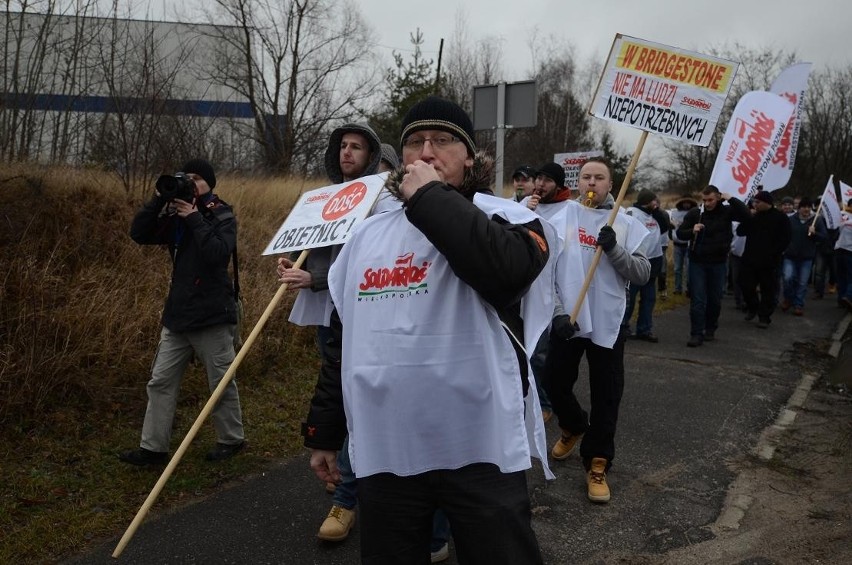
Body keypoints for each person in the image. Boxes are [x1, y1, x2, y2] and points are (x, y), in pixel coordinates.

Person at [301, 96, 552, 563]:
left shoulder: (510, 218)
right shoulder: (366, 235)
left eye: (442, 141)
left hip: (480, 447)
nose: (426, 152)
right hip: (388, 445)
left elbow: (506, 271)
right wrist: (325, 429)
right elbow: (347, 337)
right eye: (414, 142)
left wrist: (429, 198)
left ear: (470, 157)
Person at [278, 123, 382, 542]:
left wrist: (316, 277)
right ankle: (344, 471)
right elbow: (316, 251)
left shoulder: (380, 203)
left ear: (371, 156)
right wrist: (293, 265)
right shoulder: (323, 200)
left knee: (364, 407)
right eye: (343, 145)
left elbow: (358, 264)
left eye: (356, 147)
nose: (347, 152)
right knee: (338, 394)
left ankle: (350, 492)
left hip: (369, 315)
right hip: (331, 318)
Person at [120, 159, 245, 466]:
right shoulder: (175, 215)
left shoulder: (220, 213)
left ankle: (231, 439)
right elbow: (139, 233)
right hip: (178, 315)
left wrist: (194, 219)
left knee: (220, 381)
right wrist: (160, 199)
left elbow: (217, 254)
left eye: (196, 180)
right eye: (186, 179)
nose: (190, 184)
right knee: (160, 381)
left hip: (213, 314)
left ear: (210, 185)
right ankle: (153, 448)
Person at [543, 157, 651, 504]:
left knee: (607, 392)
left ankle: (598, 461)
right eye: (586, 177)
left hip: (607, 321)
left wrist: (614, 249)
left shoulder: (626, 223)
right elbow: (547, 271)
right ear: (578, 183)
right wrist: (558, 313)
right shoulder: (561, 217)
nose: (592, 182)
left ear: (610, 184)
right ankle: (573, 424)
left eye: (599, 177)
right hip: (571, 320)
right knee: (554, 380)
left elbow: (642, 274)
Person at [521, 161, 577, 423]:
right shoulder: (525, 204)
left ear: (559, 185)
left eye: (547, 180)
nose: (541, 185)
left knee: (541, 352)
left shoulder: (569, 211)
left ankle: (544, 402)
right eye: (538, 179)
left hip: (550, 288)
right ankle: (524, 399)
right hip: (524, 286)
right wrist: (524, 211)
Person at [677, 185, 751, 347]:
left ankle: (710, 328)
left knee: (715, 299)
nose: (707, 203)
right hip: (698, 262)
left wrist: (731, 199)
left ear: (718, 198)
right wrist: (692, 231)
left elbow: (746, 216)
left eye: (710, 200)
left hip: (718, 262)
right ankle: (696, 333)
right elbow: (680, 233)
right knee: (698, 299)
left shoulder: (727, 212)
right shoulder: (696, 214)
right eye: (704, 200)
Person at [736, 191, 791, 328]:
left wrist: (774, 253)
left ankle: (764, 316)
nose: (755, 205)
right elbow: (740, 232)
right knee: (745, 285)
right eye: (754, 202)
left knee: (768, 289)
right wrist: (747, 217)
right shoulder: (753, 217)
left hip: (769, 261)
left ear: (767, 203)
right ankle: (752, 306)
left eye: (758, 202)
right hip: (750, 258)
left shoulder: (780, 218)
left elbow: (785, 238)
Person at [622, 189, 669, 342]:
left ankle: (644, 329)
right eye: (654, 201)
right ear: (647, 201)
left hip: (654, 261)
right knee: (630, 298)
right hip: (637, 262)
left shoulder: (654, 214)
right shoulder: (632, 212)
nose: (656, 203)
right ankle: (623, 327)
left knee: (649, 298)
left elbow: (665, 226)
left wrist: (657, 211)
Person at [781, 197, 826, 316]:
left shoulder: (817, 220)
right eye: (803, 207)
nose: (806, 209)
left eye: (808, 207)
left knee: (802, 282)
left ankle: (798, 304)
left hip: (806, 257)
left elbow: (823, 237)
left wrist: (814, 232)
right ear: (799, 208)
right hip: (790, 255)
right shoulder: (791, 219)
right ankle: (788, 298)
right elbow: (784, 235)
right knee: (787, 278)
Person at [669, 196, 697, 295]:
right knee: (677, 268)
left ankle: (689, 288)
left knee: (688, 268)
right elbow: (671, 226)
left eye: (688, 203)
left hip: (689, 244)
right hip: (677, 244)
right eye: (684, 203)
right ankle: (677, 288)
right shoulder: (674, 213)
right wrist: (671, 235)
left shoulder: (694, 214)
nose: (686, 204)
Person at [835, 198, 852, 312]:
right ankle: (848, 296)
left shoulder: (841, 216)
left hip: (838, 249)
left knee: (841, 276)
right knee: (850, 277)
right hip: (850, 251)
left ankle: (841, 298)